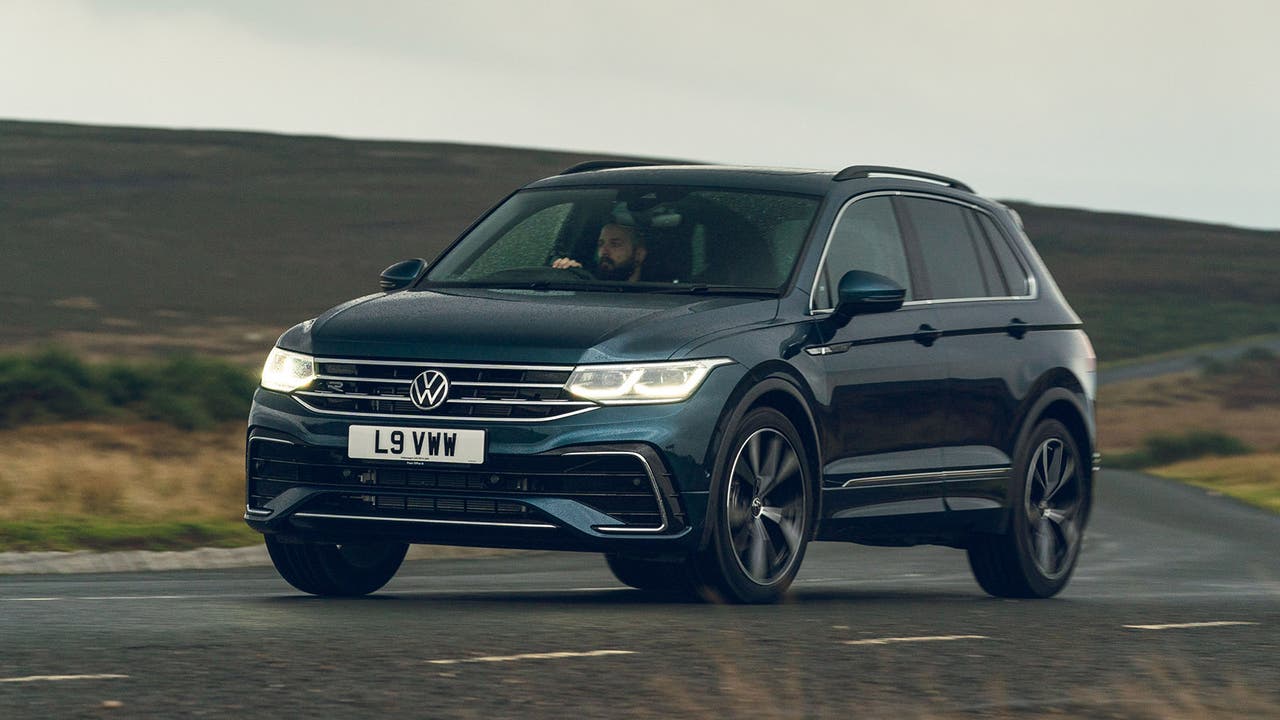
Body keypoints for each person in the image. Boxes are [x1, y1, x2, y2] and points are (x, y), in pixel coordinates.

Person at [551, 222, 647, 282]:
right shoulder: (589, 286)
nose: (604, 251)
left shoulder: (654, 296)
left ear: (639, 254)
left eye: (615, 244)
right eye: (601, 244)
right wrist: (571, 273)